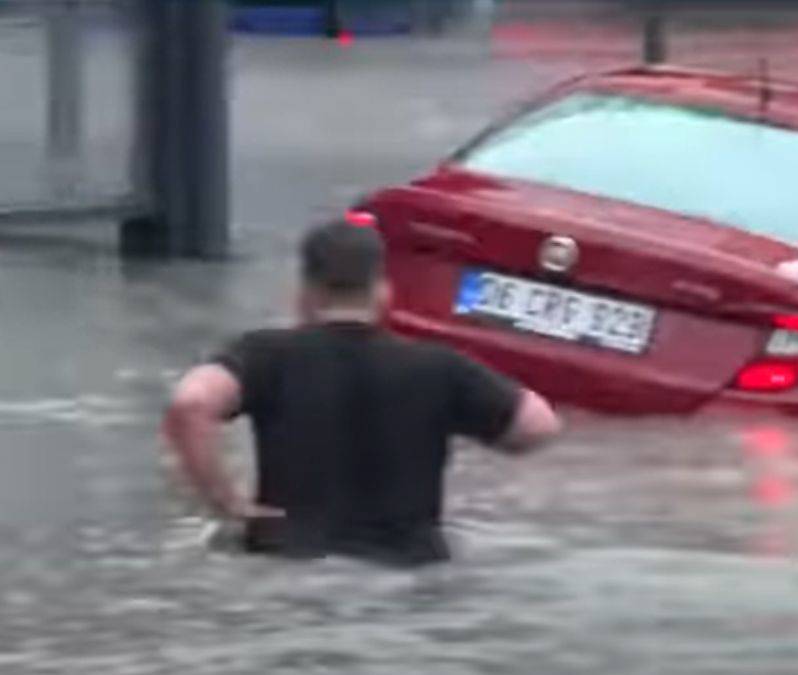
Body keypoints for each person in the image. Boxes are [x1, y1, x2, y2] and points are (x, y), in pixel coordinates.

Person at [162, 222, 561, 564]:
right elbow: (538, 426)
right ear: (383, 291)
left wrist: (227, 504)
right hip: (409, 567)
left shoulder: (266, 355)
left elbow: (191, 403)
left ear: (305, 292)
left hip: (289, 560)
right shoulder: (440, 368)